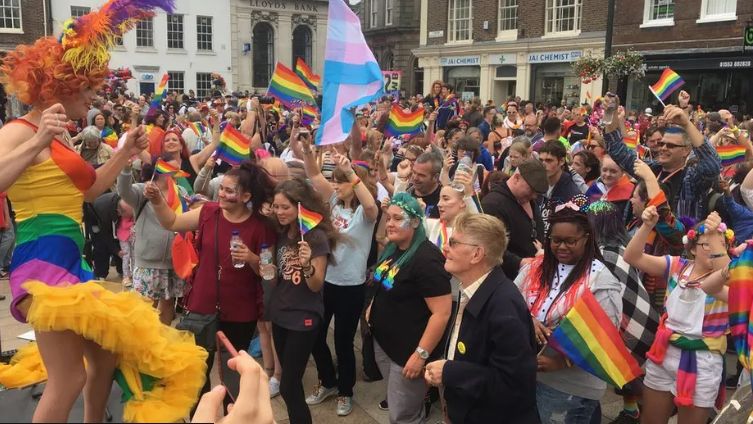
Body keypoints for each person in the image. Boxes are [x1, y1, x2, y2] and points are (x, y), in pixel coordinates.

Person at [0, 2, 206, 422]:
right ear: (64, 86)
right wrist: (35, 142)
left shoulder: (58, 139)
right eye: (90, 90)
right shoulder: (19, 132)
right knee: (68, 378)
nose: (95, 98)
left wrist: (125, 153)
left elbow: (90, 189)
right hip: (43, 262)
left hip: (68, 258)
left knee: (107, 356)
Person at [145, 161, 276, 406]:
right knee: (196, 372)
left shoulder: (262, 227)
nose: (222, 195)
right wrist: (157, 201)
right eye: (222, 189)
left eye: (230, 191)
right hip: (201, 306)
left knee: (232, 374)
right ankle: (199, 415)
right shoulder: (208, 213)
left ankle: (231, 416)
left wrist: (252, 258)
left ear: (246, 196)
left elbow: (269, 273)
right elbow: (172, 222)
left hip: (240, 312)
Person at [424, 213, 540, 424]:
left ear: (477, 254)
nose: (446, 248)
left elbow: (514, 385)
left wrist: (450, 372)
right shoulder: (472, 288)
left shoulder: (504, 306)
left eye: (453, 242)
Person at [514, 205, 622, 423]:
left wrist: (561, 363)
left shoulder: (600, 282)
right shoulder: (534, 268)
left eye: (570, 241)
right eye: (555, 240)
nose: (561, 247)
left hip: (571, 387)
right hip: (527, 375)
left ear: (586, 239)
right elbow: (509, 302)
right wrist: (528, 320)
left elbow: (603, 339)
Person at [624, 210, 731, 424]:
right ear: (691, 248)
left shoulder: (725, 278)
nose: (713, 249)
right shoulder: (677, 266)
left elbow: (731, 279)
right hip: (664, 352)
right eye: (706, 244)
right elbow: (632, 256)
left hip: (702, 360)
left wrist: (713, 237)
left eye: (721, 244)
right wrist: (646, 226)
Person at [301, 146, 378, 416]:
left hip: (351, 286)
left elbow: (369, 204)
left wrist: (351, 174)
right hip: (326, 281)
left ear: (354, 184)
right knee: (315, 335)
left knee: (344, 342)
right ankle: (329, 382)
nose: (336, 185)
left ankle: (345, 391)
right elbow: (313, 174)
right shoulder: (333, 202)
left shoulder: (365, 216)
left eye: (340, 181)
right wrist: (307, 150)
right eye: (334, 180)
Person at [367, 193, 452, 424]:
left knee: (403, 416)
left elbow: (442, 313)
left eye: (397, 218)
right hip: (386, 344)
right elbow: (385, 282)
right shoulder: (395, 247)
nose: (390, 223)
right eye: (388, 217)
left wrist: (420, 355)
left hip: (408, 353)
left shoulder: (427, 259)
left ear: (415, 222)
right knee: (402, 407)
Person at [269, 178, 336, 424]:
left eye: (285, 207)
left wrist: (307, 264)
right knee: (290, 382)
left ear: (300, 206)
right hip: (280, 314)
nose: (279, 212)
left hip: (304, 317)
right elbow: (281, 273)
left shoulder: (315, 237)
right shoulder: (281, 232)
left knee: (288, 386)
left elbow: (316, 284)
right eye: (276, 207)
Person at [604, 104, 721, 220]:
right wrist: (610, 111)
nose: (663, 148)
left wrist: (686, 123)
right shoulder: (649, 168)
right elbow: (617, 150)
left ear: (686, 150)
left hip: (672, 237)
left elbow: (712, 165)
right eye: (661, 143)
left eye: (670, 145)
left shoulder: (691, 179)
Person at [118, 163, 185, 325]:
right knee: (145, 307)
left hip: (174, 261)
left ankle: (163, 340)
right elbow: (124, 191)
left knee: (168, 304)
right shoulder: (144, 189)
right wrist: (125, 168)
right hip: (147, 262)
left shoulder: (180, 192)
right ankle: (143, 344)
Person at [482, 159, 548, 279]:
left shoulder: (529, 200)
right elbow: (488, 246)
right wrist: (519, 262)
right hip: (506, 279)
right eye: (531, 189)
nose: (534, 196)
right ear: (517, 178)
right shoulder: (493, 204)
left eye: (537, 192)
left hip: (531, 275)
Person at [407, 152, 443, 219]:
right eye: (414, 172)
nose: (415, 178)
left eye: (421, 175)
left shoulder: (443, 201)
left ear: (436, 177)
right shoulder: (407, 194)